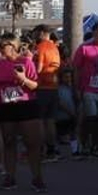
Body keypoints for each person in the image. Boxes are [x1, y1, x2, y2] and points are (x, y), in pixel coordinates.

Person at [0, 35, 47, 192]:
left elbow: (35, 85)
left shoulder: (26, 62)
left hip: (26, 105)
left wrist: (23, 79)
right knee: (9, 142)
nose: (0, 48)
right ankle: (10, 176)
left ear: (13, 46)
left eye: (4, 45)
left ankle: (37, 177)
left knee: (32, 144)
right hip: (7, 107)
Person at [72, 21, 98, 159]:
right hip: (88, 89)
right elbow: (76, 69)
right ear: (94, 33)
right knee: (90, 118)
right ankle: (87, 144)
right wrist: (77, 88)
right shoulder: (84, 48)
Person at [32, 25, 62, 160]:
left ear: (42, 33)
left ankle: (41, 150)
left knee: (40, 121)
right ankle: (52, 149)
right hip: (53, 87)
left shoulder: (41, 47)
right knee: (50, 121)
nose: (34, 36)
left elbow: (37, 69)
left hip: (42, 87)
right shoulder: (55, 48)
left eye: (35, 33)